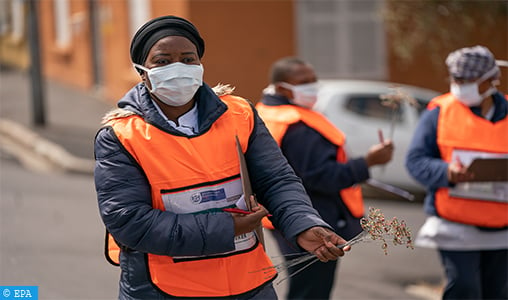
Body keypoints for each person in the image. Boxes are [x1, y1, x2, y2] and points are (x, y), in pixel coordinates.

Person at [93, 16, 352, 299]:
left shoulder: (239, 114)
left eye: (188, 59)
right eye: (163, 61)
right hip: (163, 290)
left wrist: (303, 223)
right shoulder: (121, 136)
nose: (178, 68)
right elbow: (130, 221)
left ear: (200, 65)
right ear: (142, 71)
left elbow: (276, 180)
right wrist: (228, 228)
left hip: (248, 285)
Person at [256, 57, 394, 299]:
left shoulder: (267, 112)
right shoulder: (299, 126)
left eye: (313, 80)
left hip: (285, 217)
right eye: (303, 82)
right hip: (313, 219)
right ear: (281, 88)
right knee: (312, 290)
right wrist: (367, 162)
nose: (312, 86)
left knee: (304, 287)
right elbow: (319, 177)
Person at [405, 45, 508, 299]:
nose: (460, 85)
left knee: (499, 292)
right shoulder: (439, 112)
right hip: (455, 224)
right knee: (465, 288)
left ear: (492, 80)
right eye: (456, 79)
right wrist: (447, 172)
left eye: (469, 81)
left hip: (502, 225)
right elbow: (416, 161)